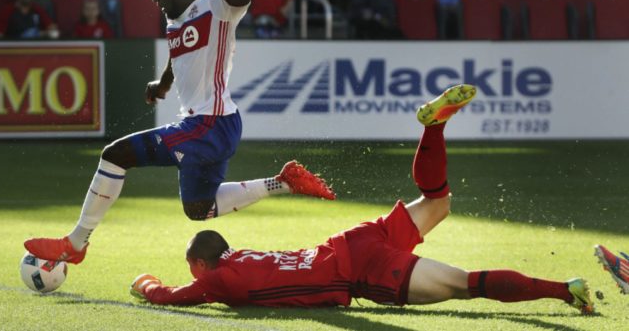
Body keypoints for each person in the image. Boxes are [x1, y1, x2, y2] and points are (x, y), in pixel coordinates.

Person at [23, 0, 336, 265]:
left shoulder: (216, 4)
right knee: (198, 209)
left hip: (209, 124)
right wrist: (163, 82)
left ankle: (75, 244)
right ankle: (284, 181)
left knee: (115, 155)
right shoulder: (176, 17)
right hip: (213, 125)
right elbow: (179, 51)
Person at [130, 84, 594, 316]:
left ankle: (563, 289)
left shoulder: (218, 282)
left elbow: (171, 295)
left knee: (467, 284)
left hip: (360, 272)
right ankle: (433, 126)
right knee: (438, 201)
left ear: (202, 265)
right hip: (351, 242)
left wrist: (143, 283)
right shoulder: (241, 256)